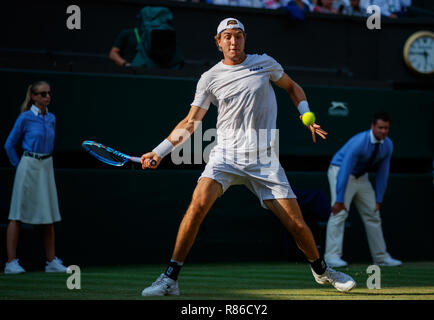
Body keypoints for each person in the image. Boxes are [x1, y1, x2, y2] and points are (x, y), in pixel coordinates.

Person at [139, 17, 356, 296]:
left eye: (238, 36)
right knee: (196, 207)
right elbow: (191, 121)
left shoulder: (265, 63)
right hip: (226, 156)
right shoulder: (210, 78)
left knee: (297, 224)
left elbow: (292, 87)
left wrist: (305, 113)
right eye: (227, 36)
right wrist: (159, 152)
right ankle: (170, 278)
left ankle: (322, 271)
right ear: (218, 42)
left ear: (244, 39)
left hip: (263, 159)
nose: (233, 41)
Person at [3, 81, 67, 274]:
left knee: (49, 215)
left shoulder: (52, 118)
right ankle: (11, 263)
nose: (47, 97)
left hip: (46, 166)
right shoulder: (25, 118)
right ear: (34, 96)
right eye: (43, 94)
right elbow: (9, 145)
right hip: (28, 164)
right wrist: (20, 166)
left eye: (49, 93)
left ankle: (51, 262)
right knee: (17, 214)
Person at [324, 111, 402, 268]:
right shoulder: (360, 142)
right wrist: (339, 199)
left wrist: (379, 199)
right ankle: (331, 257)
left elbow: (382, 173)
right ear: (373, 126)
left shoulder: (388, 145)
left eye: (386, 128)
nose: (383, 131)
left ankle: (381, 257)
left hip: (361, 177)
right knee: (339, 213)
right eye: (380, 127)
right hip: (339, 171)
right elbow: (345, 169)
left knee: (373, 213)